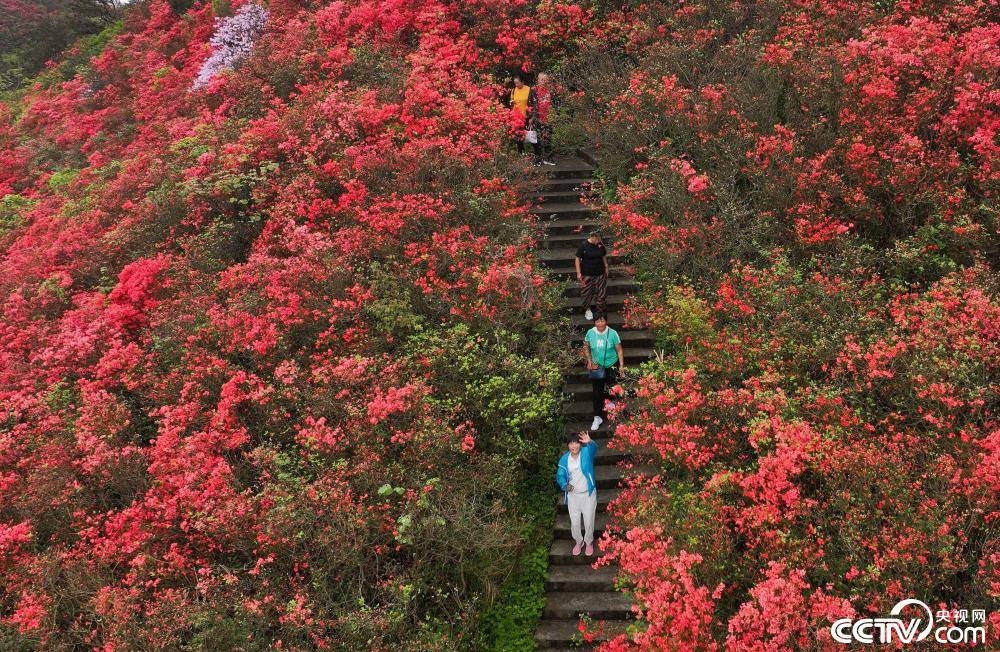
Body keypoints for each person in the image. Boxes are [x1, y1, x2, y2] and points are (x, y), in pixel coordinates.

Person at [556, 431, 598, 556]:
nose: (574, 446)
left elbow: (594, 448)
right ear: (568, 445)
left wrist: (590, 442)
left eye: (576, 443)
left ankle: (589, 542)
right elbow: (560, 475)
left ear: (580, 444)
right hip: (573, 496)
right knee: (574, 523)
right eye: (571, 444)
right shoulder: (564, 459)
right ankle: (579, 541)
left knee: (589, 521)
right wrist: (564, 485)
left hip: (588, 494)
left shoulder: (586, 452)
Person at [583, 314, 623, 431]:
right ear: (594, 322)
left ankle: (612, 410)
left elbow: (619, 350)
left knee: (613, 389)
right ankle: (597, 417)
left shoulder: (613, 333)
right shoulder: (590, 333)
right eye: (597, 321)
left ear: (606, 321)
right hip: (597, 366)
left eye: (602, 321)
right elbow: (586, 346)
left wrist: (621, 365)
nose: (600, 324)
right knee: (597, 392)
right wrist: (589, 360)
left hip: (611, 364)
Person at [575, 231, 608, 321]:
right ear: (593, 237)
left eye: (600, 239)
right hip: (587, 274)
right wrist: (578, 272)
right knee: (586, 293)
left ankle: (599, 311)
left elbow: (603, 256)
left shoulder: (600, 245)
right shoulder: (584, 245)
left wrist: (606, 267)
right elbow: (577, 259)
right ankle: (587, 309)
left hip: (600, 273)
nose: (599, 241)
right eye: (597, 239)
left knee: (601, 293)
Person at [527, 72, 555, 166]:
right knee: (536, 140)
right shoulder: (533, 90)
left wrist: (554, 114)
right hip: (537, 118)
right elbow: (529, 105)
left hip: (548, 118)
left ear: (547, 80)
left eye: (545, 79)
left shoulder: (550, 90)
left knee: (548, 139)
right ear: (538, 80)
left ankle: (549, 158)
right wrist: (530, 117)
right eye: (541, 79)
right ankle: (538, 159)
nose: (543, 81)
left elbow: (555, 103)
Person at [509, 75, 531, 155]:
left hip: (526, 116)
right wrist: (511, 102)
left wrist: (531, 115)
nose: (516, 85)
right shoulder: (514, 90)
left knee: (528, 134)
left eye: (517, 83)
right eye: (515, 83)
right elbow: (511, 101)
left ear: (522, 82)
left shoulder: (528, 89)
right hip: (516, 117)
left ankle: (530, 151)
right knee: (518, 135)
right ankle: (521, 152)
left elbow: (531, 102)